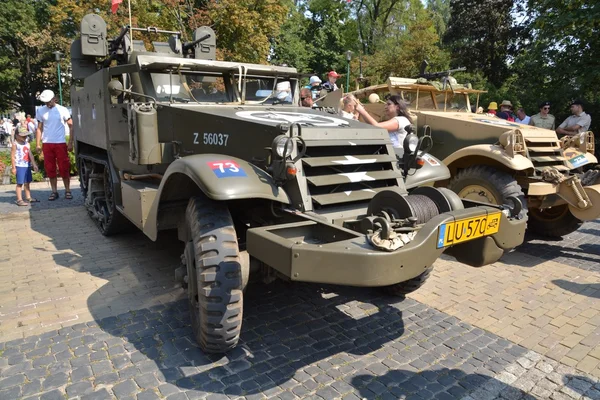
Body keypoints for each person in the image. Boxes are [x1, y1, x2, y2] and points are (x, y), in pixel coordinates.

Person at [35, 89, 74, 201]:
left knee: (64, 167)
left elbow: (71, 125)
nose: (47, 104)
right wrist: (38, 144)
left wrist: (70, 142)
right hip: (47, 143)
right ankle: (54, 191)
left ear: (54, 99)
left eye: (49, 101)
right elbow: (39, 128)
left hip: (60, 142)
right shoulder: (41, 111)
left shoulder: (62, 110)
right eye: (45, 102)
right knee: (50, 168)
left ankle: (67, 190)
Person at [11, 125, 39, 206]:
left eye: (26, 135)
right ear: (17, 135)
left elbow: (30, 155)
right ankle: (19, 199)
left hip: (27, 165)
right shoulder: (15, 144)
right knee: (20, 183)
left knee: (27, 182)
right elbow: (12, 156)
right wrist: (13, 167)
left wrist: (34, 164)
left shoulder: (27, 143)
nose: (25, 137)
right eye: (23, 135)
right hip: (19, 165)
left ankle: (28, 197)